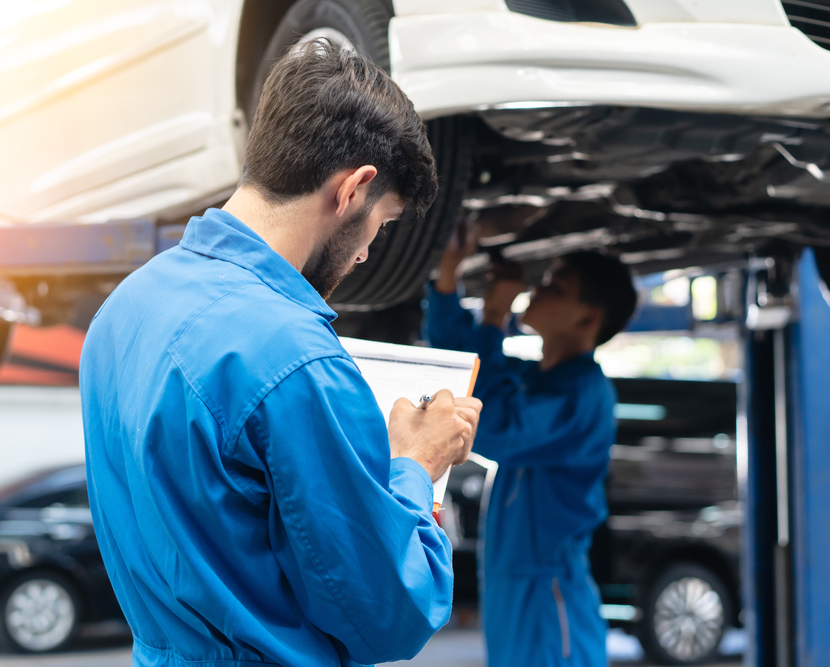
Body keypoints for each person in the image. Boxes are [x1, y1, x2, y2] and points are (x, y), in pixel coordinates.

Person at [79, 41, 483, 667]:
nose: (365, 255)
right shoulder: (297, 362)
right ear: (353, 189)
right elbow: (388, 615)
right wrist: (413, 465)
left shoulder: (125, 310)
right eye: (382, 225)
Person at [426, 235, 638, 667]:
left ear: (588, 319)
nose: (537, 289)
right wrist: (448, 278)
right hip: (517, 588)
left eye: (555, 288)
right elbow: (466, 373)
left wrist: (495, 316)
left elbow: (489, 421)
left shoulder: (583, 396)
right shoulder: (538, 381)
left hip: (547, 595)